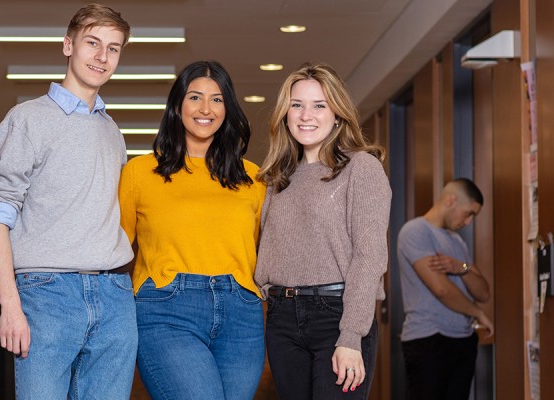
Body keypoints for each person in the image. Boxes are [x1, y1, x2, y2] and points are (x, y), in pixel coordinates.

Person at [0, 4, 137, 399]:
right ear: (68, 45)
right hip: (46, 293)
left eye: (113, 48)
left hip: (114, 295)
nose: (102, 57)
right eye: (92, 43)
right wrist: (9, 303)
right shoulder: (27, 119)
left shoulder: (112, 130)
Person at [118, 60, 266, 400]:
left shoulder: (253, 178)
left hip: (241, 313)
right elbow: (114, 252)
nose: (206, 108)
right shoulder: (140, 172)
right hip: (166, 310)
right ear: (177, 106)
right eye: (195, 97)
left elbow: (266, 253)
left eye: (217, 99)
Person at [255, 62, 392, 400]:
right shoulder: (276, 178)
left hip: (337, 314)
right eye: (296, 105)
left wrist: (351, 335)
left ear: (338, 114)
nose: (306, 115)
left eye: (320, 105)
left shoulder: (361, 168)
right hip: (283, 318)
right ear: (285, 114)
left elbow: (369, 256)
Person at [396, 178, 493, 400]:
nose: (468, 222)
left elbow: (483, 292)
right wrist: (477, 313)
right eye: (469, 213)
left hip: (463, 340)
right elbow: (441, 289)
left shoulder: (457, 242)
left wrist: (462, 268)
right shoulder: (415, 231)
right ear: (451, 200)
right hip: (430, 340)